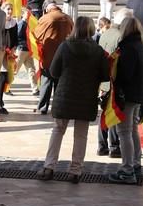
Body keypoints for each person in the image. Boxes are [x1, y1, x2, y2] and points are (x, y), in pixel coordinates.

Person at [37, 17, 109, 184]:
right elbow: (105, 75)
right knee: (81, 134)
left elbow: (54, 71)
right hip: (86, 97)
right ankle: (75, 171)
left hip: (65, 95)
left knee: (58, 130)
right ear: (91, 30)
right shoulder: (97, 51)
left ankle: (49, 167)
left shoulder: (65, 46)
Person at [107, 17, 143, 185]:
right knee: (132, 129)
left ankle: (127, 169)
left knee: (124, 132)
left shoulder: (128, 47)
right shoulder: (142, 45)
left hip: (128, 94)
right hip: (139, 92)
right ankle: (136, 164)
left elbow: (126, 74)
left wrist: (116, 84)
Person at [97, 8, 132, 157]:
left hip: (103, 81)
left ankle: (102, 146)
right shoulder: (121, 37)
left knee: (105, 112)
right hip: (115, 80)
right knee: (113, 112)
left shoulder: (105, 34)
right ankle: (114, 146)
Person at [33, 0, 74, 115]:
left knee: (46, 81)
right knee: (60, 83)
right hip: (65, 55)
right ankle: (58, 107)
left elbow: (36, 35)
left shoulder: (46, 18)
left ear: (46, 9)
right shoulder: (68, 18)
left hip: (49, 56)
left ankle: (42, 107)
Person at [0, 2, 18, 115]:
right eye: (8, 9)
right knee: (2, 77)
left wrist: (13, 48)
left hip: (9, 54)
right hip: (0, 53)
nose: (10, 11)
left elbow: (15, 38)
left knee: (8, 78)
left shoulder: (14, 23)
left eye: (11, 9)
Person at [15, 7, 39, 96]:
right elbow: (18, 36)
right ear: (22, 15)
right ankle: (5, 87)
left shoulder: (29, 24)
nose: (29, 14)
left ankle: (35, 89)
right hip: (22, 49)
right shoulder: (21, 24)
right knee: (15, 69)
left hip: (28, 50)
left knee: (31, 69)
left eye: (30, 13)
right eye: (27, 13)